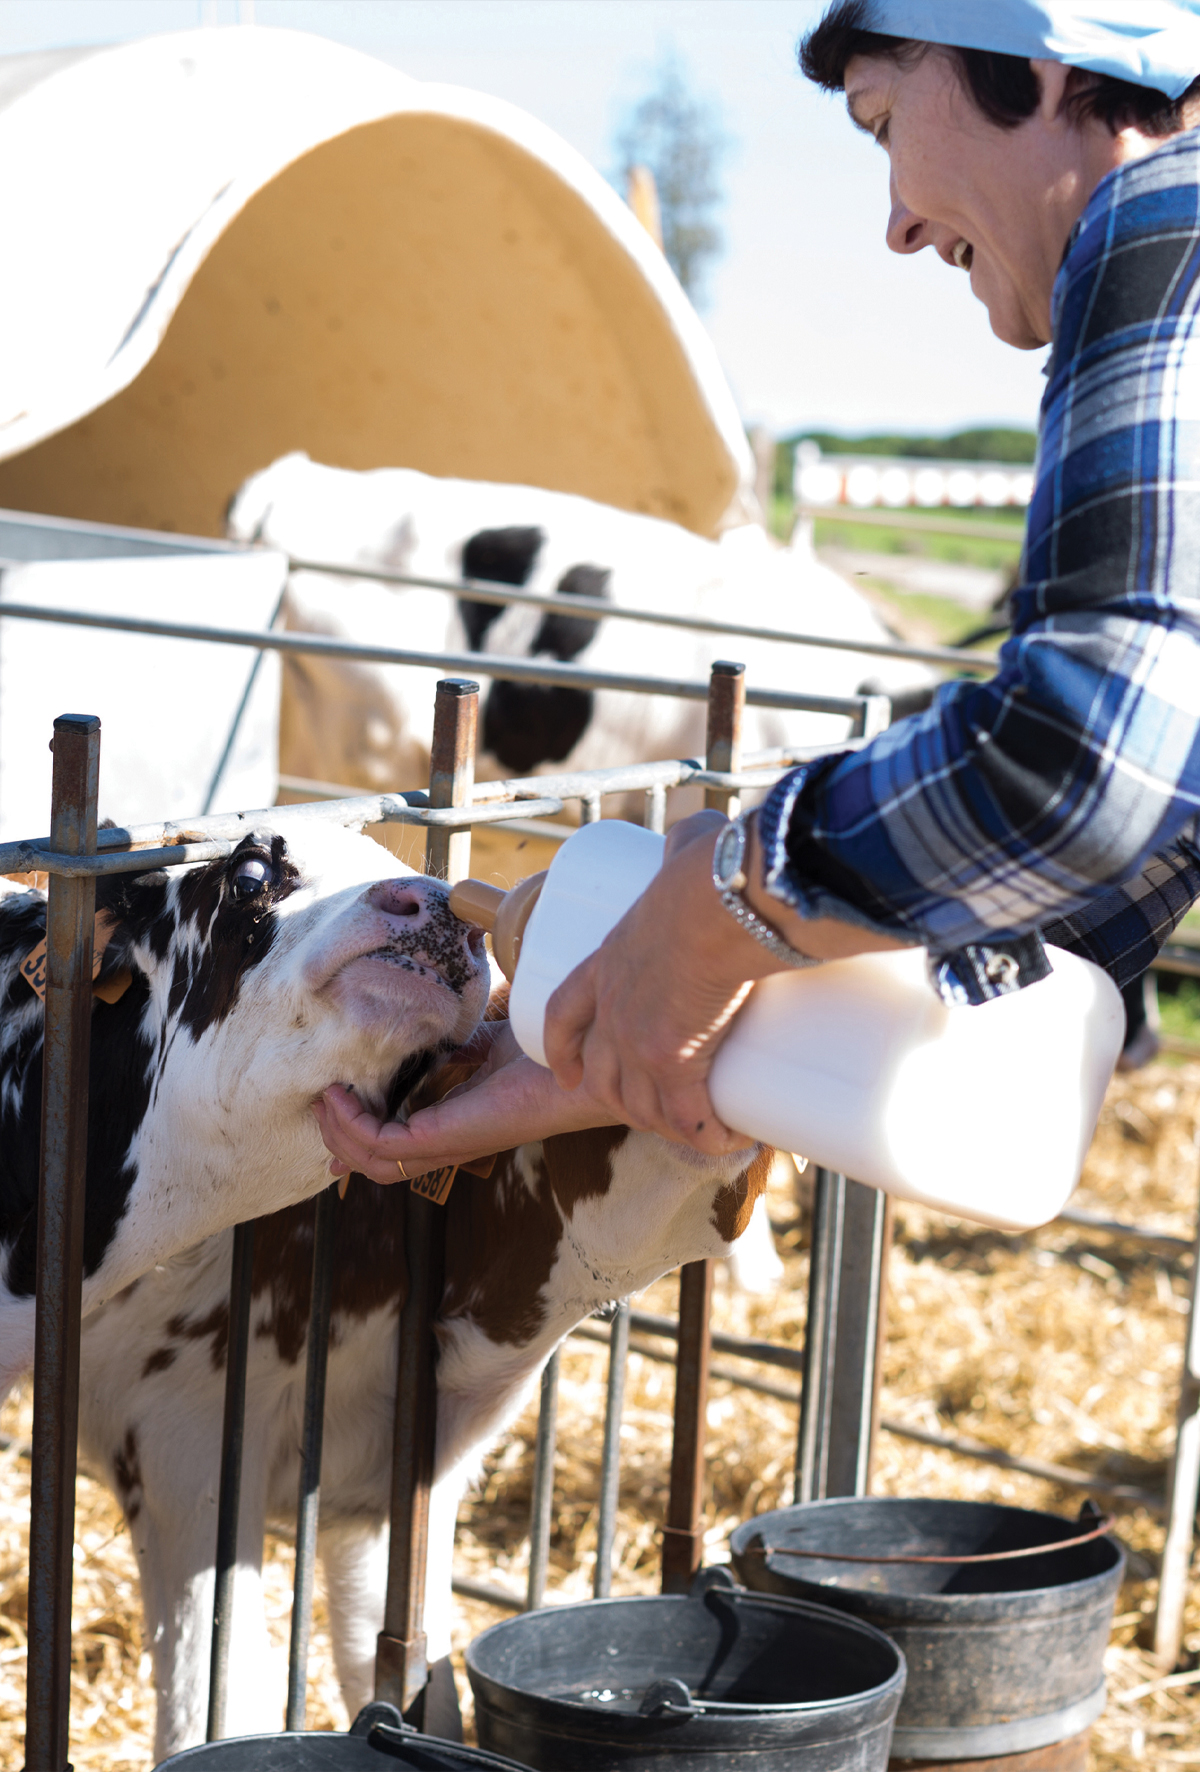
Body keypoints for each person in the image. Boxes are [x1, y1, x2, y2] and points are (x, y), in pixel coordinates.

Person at [315, 0, 1200, 1188]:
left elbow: (1083, 756)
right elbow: (1143, 828)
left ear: (1043, 70)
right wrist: (619, 1035)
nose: (893, 224)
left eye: (883, 122)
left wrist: (722, 898)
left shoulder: (1163, 227)